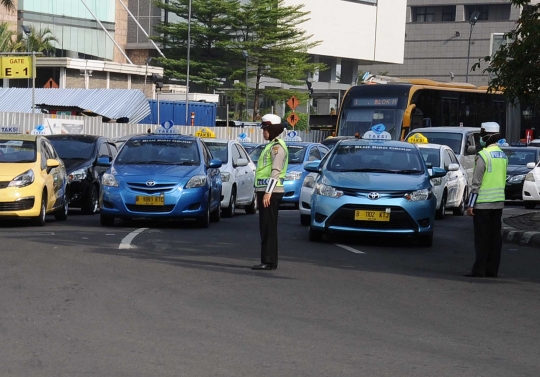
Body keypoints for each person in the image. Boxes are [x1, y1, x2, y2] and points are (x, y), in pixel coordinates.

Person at [465, 122, 507, 278]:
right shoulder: (503, 155)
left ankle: (479, 269)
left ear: (487, 136)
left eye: (482, 135)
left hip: (482, 204)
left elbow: (476, 183)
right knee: (495, 238)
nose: (481, 138)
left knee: (482, 238)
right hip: (498, 203)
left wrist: (470, 205)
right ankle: (492, 270)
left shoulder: (483, 155)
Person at [252, 114, 288, 271]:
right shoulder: (271, 145)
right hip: (267, 191)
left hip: (271, 193)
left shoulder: (277, 147)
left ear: (272, 129)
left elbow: (276, 171)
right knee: (266, 227)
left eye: (265, 129)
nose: (263, 132)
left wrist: (268, 193)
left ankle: (268, 261)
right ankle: (269, 260)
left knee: (268, 227)